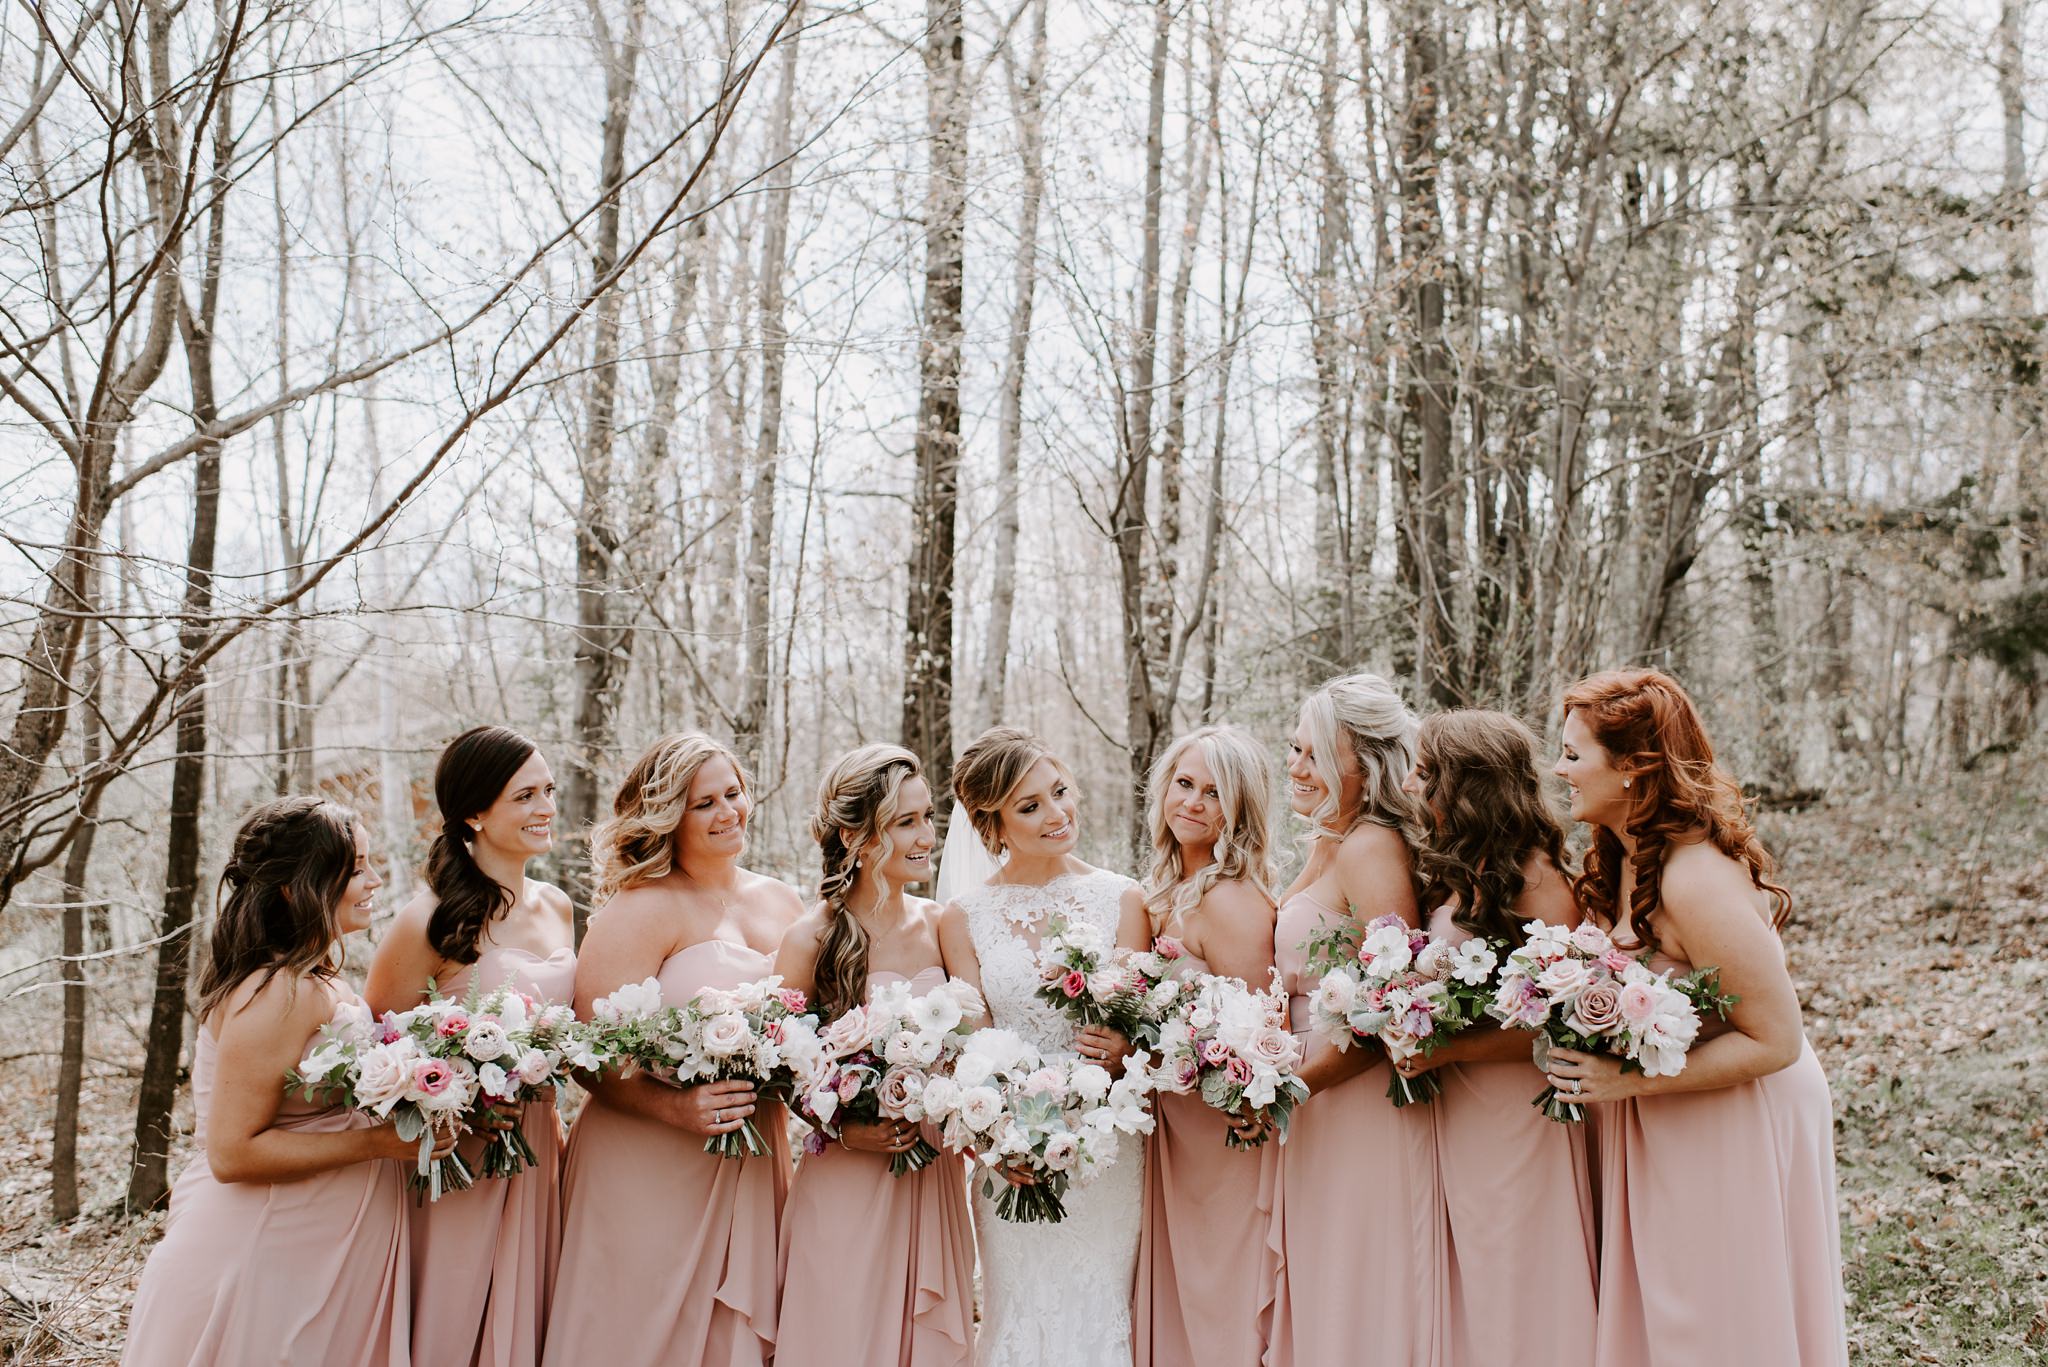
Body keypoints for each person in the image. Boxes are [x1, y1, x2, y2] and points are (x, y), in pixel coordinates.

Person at [1543, 668, 1849, 1366]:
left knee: (1714, 1316)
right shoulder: (1623, 857)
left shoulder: (1694, 877)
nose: (1559, 769)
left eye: (1572, 753)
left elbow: (1778, 1037)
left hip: (1736, 1109)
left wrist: (1627, 1082)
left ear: (1632, 768)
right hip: (1675, 1106)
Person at [124, 797, 452, 1367]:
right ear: (296, 887)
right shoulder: (277, 991)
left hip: (322, 1244)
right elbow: (231, 1152)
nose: (375, 880)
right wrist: (381, 1143)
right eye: (355, 869)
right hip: (262, 1246)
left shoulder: (318, 979)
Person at [542, 733, 802, 1367]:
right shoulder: (640, 909)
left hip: (750, 1148)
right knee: (636, 1335)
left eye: (733, 794)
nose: (727, 813)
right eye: (702, 803)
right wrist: (673, 1109)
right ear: (666, 818)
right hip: (648, 1160)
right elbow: (588, 1054)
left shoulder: (782, 901)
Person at [934, 726, 1151, 1367]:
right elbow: (970, 1050)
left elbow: (1139, 1026)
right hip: (1011, 1153)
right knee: (1018, 1313)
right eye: (1030, 807)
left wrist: (1117, 1046)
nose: (1057, 815)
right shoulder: (963, 916)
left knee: (1103, 1308)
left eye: (1059, 792)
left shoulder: (1123, 898)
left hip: (1108, 1148)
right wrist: (998, 1140)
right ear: (990, 822)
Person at [366, 724, 576, 1367]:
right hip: (459, 1154)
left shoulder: (560, 907)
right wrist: (454, 1101)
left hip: (538, 1140)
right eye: (524, 796)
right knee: (454, 1321)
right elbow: (374, 1051)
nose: (545, 809)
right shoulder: (426, 920)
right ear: (474, 814)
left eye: (548, 791)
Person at [1394, 709, 1598, 1364]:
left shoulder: (1538, 880)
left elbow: (1564, 1021)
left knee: (1518, 1275)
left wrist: (1447, 1046)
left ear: (1469, 782)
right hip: (1462, 1108)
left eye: (1427, 772)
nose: (1411, 785)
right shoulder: (1461, 864)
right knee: (1473, 1280)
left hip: (1517, 1112)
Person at [772, 743, 975, 1366]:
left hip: (930, 1165)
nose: (925, 836)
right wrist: (843, 1126)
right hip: (847, 1168)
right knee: (840, 1334)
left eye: (928, 817)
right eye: (904, 822)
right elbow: (778, 1062)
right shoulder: (811, 936)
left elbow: (982, 1034)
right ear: (857, 837)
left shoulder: (945, 923)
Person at [1267, 674, 1445, 1366]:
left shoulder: (1372, 845)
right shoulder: (1329, 842)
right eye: (1293, 748)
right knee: (1325, 1276)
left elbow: (1393, 1006)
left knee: (1359, 1279)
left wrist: (1291, 1083)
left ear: (1363, 763)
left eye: (1314, 753)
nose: (1296, 766)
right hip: (1312, 1091)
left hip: (1355, 1093)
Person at [1131, 725, 1282, 1366]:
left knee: (1221, 1286)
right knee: (1183, 1287)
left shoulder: (1230, 901)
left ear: (1240, 808)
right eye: (1183, 784)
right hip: (1175, 1127)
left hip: (1225, 1132)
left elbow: (1255, 1035)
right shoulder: (1160, 892)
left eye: (1213, 793)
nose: (1191, 802)